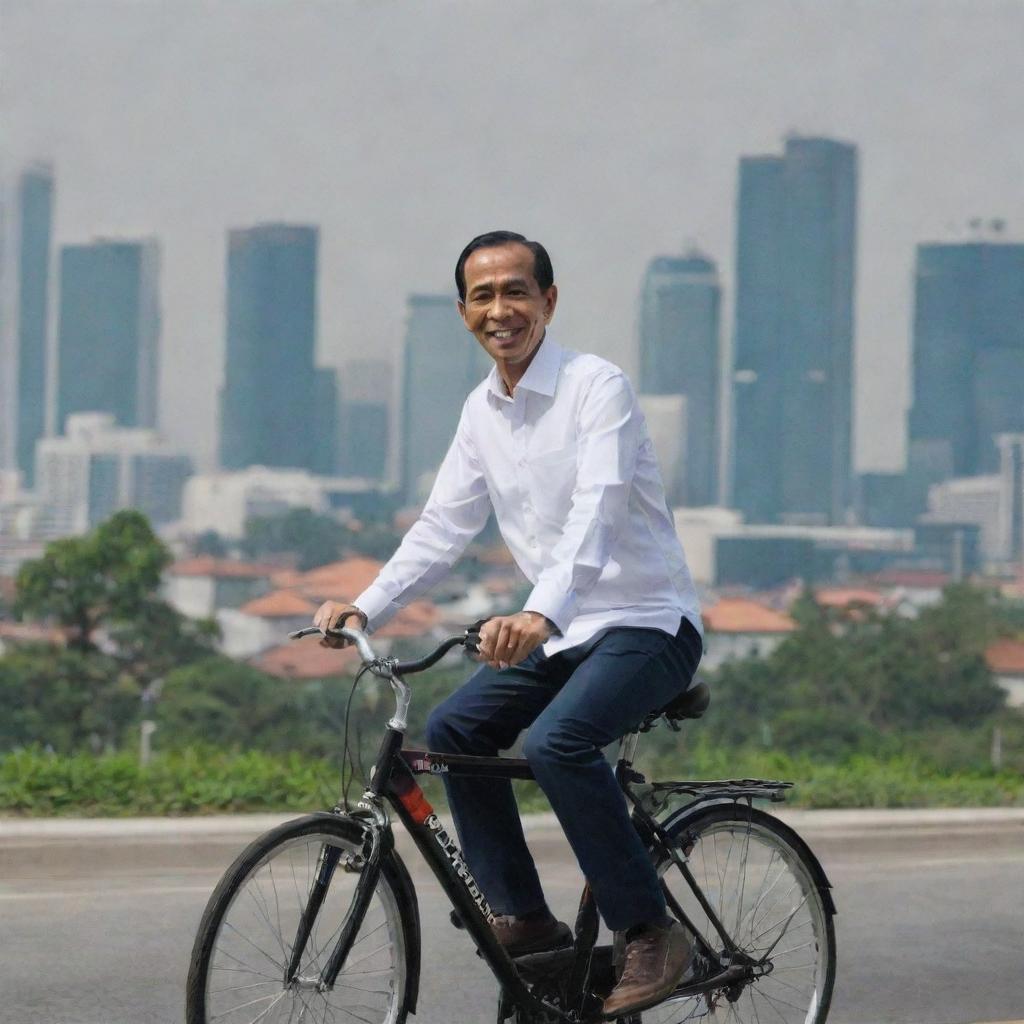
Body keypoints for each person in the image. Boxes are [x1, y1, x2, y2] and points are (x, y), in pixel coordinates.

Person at [314, 230, 704, 1017]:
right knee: (455, 730)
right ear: (464, 313)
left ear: (548, 301)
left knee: (558, 743)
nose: (502, 310)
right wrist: (368, 604)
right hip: (563, 632)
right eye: (483, 296)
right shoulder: (480, 412)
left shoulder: (598, 388)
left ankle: (651, 931)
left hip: (646, 624)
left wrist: (538, 611)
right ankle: (525, 916)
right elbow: (440, 529)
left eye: (517, 291)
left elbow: (597, 514)